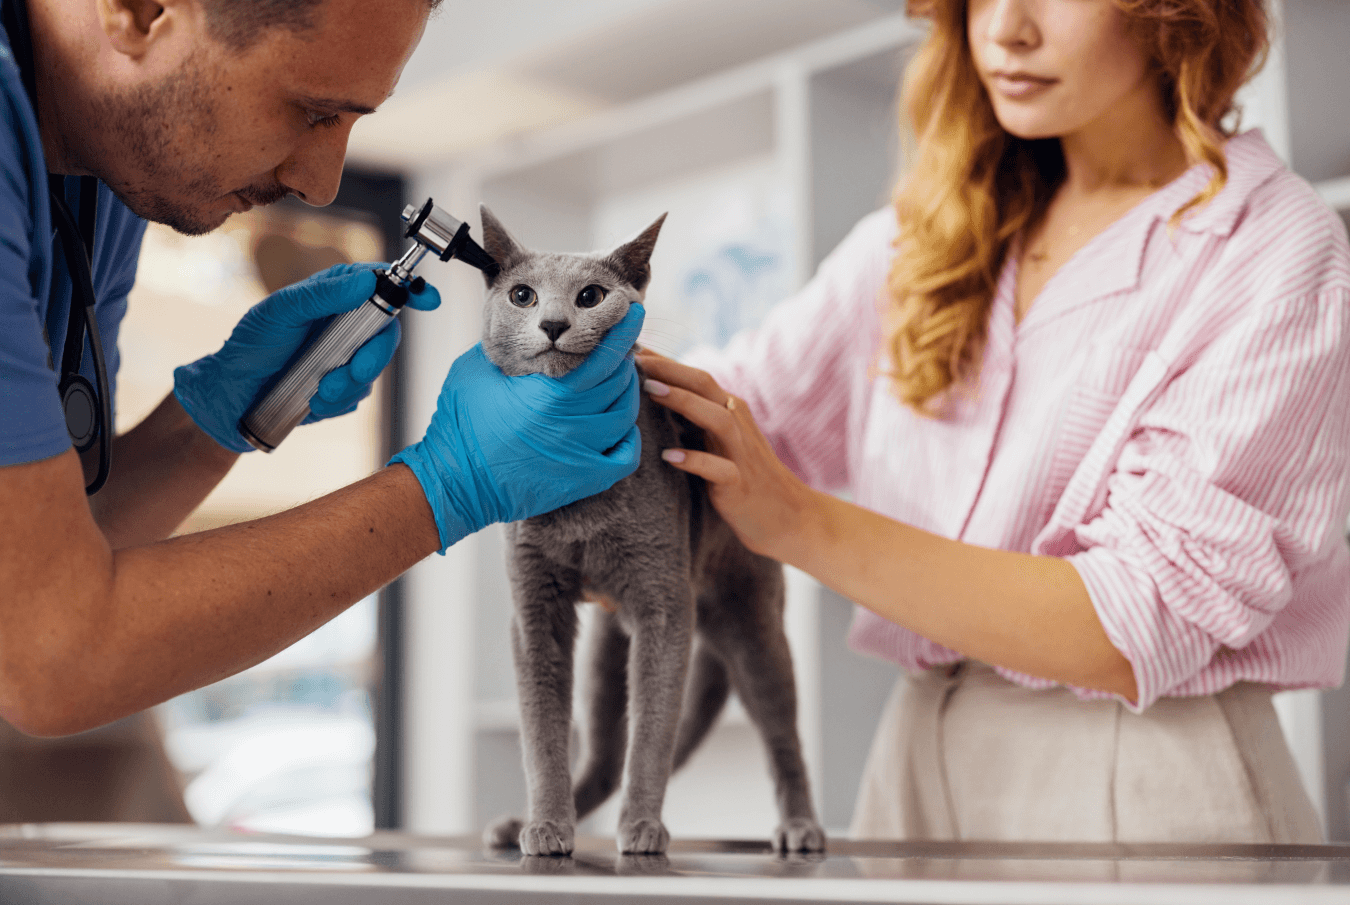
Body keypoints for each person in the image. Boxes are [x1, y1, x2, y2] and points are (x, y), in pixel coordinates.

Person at [638, 0, 1350, 844]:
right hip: (918, 750)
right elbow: (740, 400)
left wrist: (797, 520)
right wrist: (574, 373)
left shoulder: (1274, 252)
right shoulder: (919, 236)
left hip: (1149, 765)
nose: (1005, 28)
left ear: (1176, 12)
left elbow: (1131, 622)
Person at [0, 0, 643, 769]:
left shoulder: (103, 180)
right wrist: (447, 486)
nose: (320, 181)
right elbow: (46, 655)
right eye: (310, 112)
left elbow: (53, 557)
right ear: (141, 11)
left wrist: (204, 423)